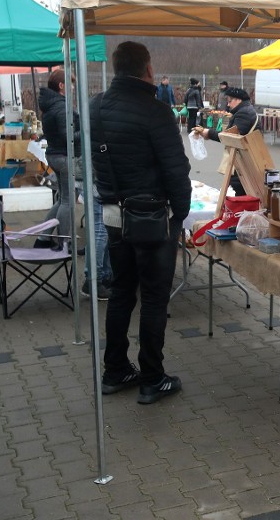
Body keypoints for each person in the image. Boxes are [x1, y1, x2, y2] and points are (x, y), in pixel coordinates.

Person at [90, 41, 191, 405]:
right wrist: (180, 213)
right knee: (152, 297)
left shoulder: (96, 107)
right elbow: (176, 170)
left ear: (117, 68)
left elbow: (98, 157)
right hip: (152, 219)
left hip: (114, 215)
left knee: (121, 292)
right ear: (147, 69)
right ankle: (152, 377)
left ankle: (115, 369)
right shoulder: (156, 111)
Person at [34, 69, 79, 252]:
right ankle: (64, 244)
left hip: (54, 155)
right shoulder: (61, 106)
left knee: (62, 200)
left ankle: (43, 238)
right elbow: (67, 135)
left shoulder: (51, 103)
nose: (73, 87)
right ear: (62, 86)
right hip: (63, 156)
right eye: (71, 83)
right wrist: (85, 131)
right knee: (68, 201)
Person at [194, 87, 259, 196]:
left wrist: (209, 133)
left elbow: (231, 137)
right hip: (244, 161)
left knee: (237, 191)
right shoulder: (246, 110)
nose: (228, 104)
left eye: (230, 101)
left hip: (242, 162)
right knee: (238, 189)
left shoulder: (244, 114)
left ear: (238, 100)